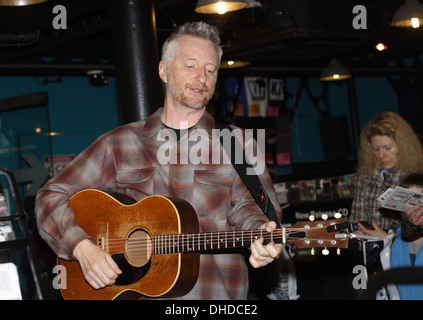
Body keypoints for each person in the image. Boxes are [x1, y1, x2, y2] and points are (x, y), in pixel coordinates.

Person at [34, 21, 283, 300]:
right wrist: (82, 247)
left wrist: (261, 235)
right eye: (190, 65)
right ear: (164, 70)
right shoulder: (119, 143)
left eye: (210, 70)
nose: (202, 77)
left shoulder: (238, 144)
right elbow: (49, 196)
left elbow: (252, 209)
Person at [350, 111, 423, 232]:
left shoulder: (416, 176)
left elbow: (417, 227)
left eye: (387, 148)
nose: (381, 155)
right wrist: (357, 230)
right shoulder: (365, 176)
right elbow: (356, 218)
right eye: (375, 149)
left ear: (403, 146)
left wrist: (388, 238)